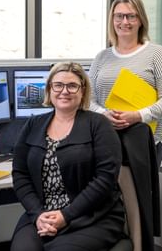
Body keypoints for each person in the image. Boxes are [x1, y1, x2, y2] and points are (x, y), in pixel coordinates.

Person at [11, 61, 126, 251]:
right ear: (49, 89)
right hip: (42, 216)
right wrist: (38, 215)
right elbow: (20, 174)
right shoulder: (33, 125)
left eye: (72, 86)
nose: (64, 91)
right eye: (58, 85)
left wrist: (66, 215)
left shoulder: (98, 125)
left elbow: (105, 178)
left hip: (92, 216)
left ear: (82, 92)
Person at [89, 0, 162, 167]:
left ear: (141, 20)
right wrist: (103, 114)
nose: (125, 22)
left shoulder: (156, 54)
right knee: (106, 194)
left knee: (137, 194)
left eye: (131, 16)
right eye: (119, 16)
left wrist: (137, 116)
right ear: (112, 20)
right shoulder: (101, 57)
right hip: (106, 140)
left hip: (144, 141)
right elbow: (87, 100)